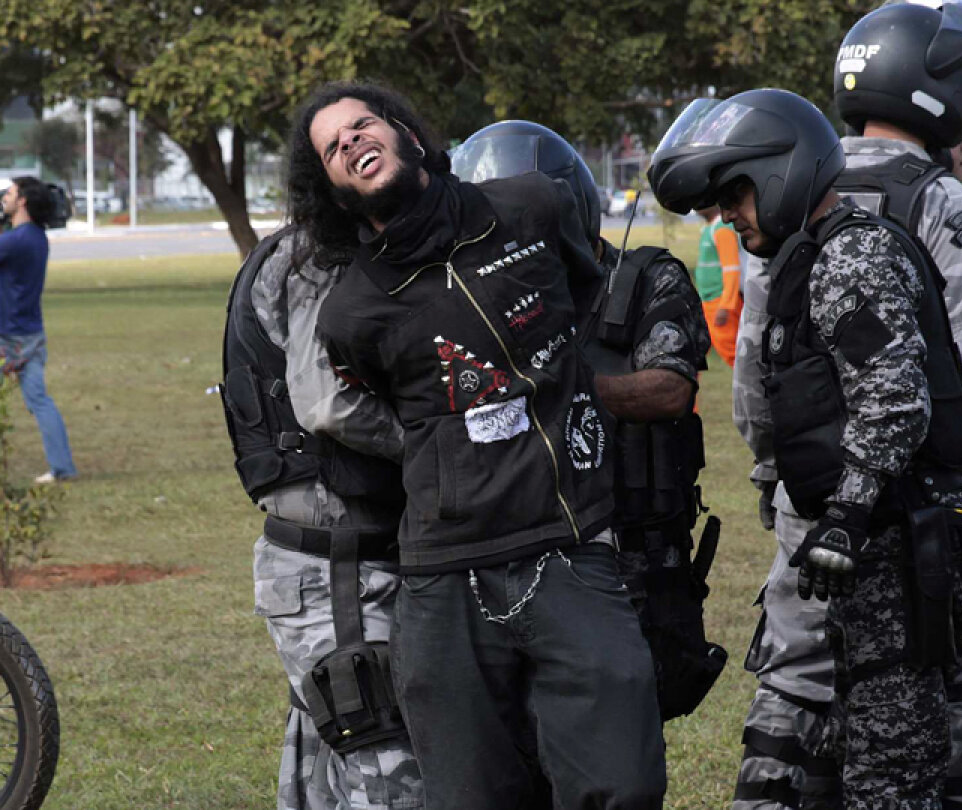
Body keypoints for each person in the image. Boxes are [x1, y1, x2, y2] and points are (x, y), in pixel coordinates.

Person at [288, 82, 665, 810]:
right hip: (443, 570)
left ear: (401, 129)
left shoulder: (529, 206)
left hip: (568, 543)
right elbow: (387, 413)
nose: (351, 143)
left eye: (361, 125)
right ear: (332, 189)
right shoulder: (352, 312)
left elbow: (587, 309)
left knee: (623, 783)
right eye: (333, 148)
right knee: (469, 795)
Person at [649, 87, 962, 810]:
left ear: (780, 173)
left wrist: (848, 512)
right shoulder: (810, 259)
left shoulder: (851, 256)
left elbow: (895, 399)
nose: (730, 220)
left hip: (896, 553)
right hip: (869, 554)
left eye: (734, 197)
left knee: (889, 774)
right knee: (846, 757)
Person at [831, 4, 962, 806]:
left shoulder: (800, 184)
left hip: (817, 505)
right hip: (925, 512)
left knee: (809, 704)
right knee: (960, 688)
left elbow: (755, 376)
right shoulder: (937, 197)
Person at [451, 120, 725, 724]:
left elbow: (670, 388)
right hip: (511, 555)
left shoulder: (646, 279)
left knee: (617, 745)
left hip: (629, 555)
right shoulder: (473, 299)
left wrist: (552, 394)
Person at [222, 225, 423, 810]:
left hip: (335, 559)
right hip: (336, 569)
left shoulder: (321, 246)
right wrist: (433, 445)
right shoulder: (321, 254)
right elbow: (328, 405)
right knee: (390, 776)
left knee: (326, 767)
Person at [0, 177, 76, 484]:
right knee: (39, 401)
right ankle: (63, 467)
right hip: (31, 332)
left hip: (8, 337)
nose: (4, 196)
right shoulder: (35, 237)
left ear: (22, 202)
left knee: (39, 401)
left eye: (10, 193)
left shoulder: (16, 241)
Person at [694, 205, 743, 367]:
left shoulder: (722, 230)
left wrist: (726, 306)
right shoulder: (709, 229)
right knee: (693, 354)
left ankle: (756, 389)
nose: (696, 205)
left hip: (720, 303)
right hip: (706, 303)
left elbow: (732, 269)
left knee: (735, 357)